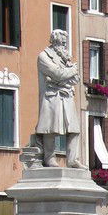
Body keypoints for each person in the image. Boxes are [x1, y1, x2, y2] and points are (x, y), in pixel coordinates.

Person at [35, 29, 83, 167]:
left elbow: (75, 79)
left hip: (66, 96)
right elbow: (57, 74)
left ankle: (73, 160)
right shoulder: (43, 57)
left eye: (65, 43)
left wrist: (64, 76)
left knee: (74, 129)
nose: (64, 45)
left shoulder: (65, 58)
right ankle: (49, 158)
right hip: (51, 98)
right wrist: (70, 71)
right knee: (50, 129)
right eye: (62, 42)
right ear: (55, 41)